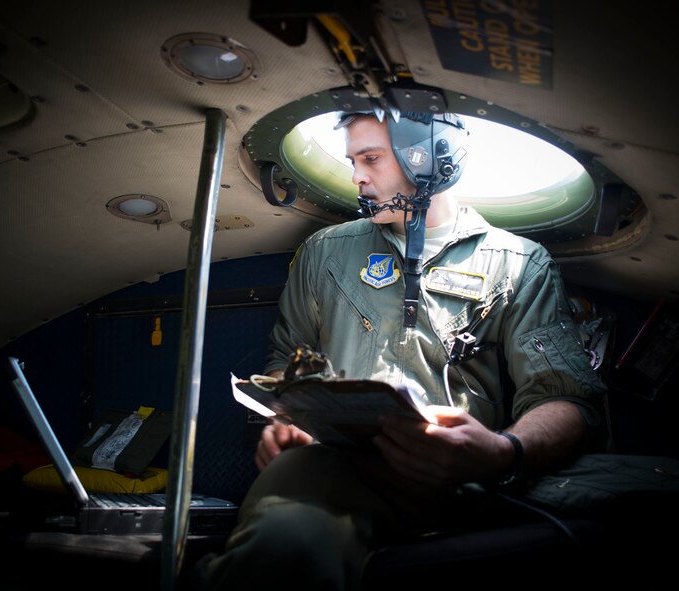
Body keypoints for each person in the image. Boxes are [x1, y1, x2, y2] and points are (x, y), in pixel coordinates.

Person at [196, 111, 607, 590]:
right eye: (353, 161)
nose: (356, 176)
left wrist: (501, 451)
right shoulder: (324, 252)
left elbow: (567, 399)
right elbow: (285, 361)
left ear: (430, 157)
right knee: (286, 545)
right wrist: (287, 421)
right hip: (332, 472)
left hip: (453, 483)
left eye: (370, 159)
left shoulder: (518, 264)